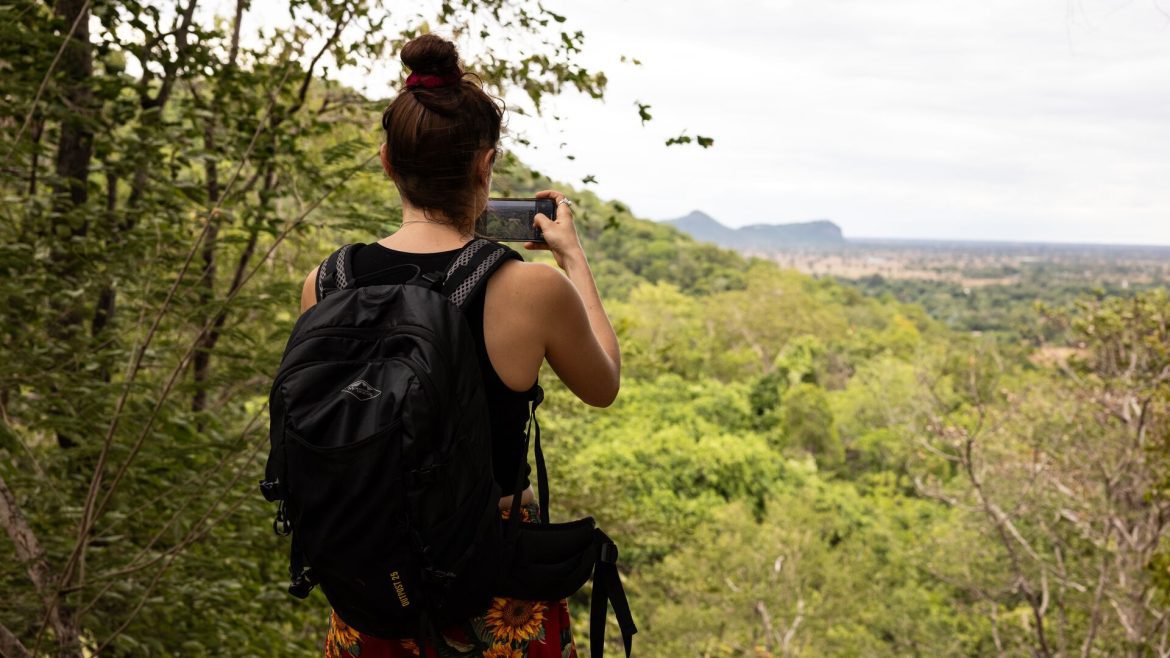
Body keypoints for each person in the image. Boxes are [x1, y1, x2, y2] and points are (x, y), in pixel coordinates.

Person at [298, 34, 621, 658]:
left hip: (371, 581)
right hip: (495, 588)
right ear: (485, 164)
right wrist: (572, 258)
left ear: (388, 162)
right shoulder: (528, 288)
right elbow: (603, 383)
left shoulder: (327, 282)